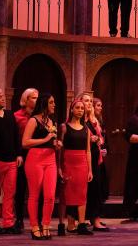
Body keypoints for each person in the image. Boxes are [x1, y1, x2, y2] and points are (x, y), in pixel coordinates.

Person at [22, 93, 61, 240]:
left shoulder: (52, 121)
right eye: (51, 102)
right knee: (34, 195)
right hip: (35, 159)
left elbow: (52, 141)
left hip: (50, 159)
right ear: (44, 104)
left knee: (50, 196)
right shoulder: (33, 120)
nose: (54, 105)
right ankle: (34, 227)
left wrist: (56, 144)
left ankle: (46, 225)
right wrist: (45, 139)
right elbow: (25, 143)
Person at [0, 87, 22, 235]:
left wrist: (19, 154)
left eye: (2, 96)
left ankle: (8, 223)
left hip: (12, 160)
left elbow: (16, 135)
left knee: (10, 193)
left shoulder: (9, 115)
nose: (2, 99)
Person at [58, 99, 93, 236]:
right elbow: (60, 149)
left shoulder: (86, 129)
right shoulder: (64, 127)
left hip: (82, 163)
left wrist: (90, 170)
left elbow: (88, 150)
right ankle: (61, 223)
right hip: (68, 162)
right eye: (77, 107)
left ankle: (82, 224)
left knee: (82, 194)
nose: (80, 110)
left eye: (82, 108)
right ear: (71, 109)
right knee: (64, 194)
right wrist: (59, 167)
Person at [79, 92, 109, 231]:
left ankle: (95, 219)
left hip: (96, 158)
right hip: (83, 159)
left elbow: (100, 137)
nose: (89, 103)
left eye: (91, 101)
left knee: (97, 190)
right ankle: (83, 220)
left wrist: (100, 145)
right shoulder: (78, 120)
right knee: (86, 191)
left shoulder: (93, 120)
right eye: (86, 101)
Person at [13, 87, 38, 231]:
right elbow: (15, 138)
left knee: (36, 188)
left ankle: (37, 219)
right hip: (22, 154)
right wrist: (18, 154)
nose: (36, 100)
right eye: (33, 97)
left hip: (37, 154)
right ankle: (19, 219)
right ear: (26, 100)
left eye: (37, 97)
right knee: (20, 187)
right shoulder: (16, 116)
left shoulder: (39, 116)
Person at [93, 97, 110, 202]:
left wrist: (105, 149)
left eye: (101, 106)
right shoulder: (89, 122)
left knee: (102, 183)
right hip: (93, 154)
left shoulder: (100, 120)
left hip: (100, 156)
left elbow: (104, 138)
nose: (100, 108)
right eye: (98, 105)